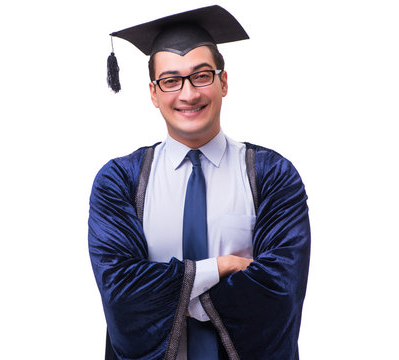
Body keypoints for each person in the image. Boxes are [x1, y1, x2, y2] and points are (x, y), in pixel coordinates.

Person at [88, 5, 310, 360]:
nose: (188, 94)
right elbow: (122, 296)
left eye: (201, 76)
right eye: (171, 80)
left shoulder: (271, 174)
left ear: (223, 82)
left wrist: (164, 295)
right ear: (153, 93)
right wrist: (219, 269)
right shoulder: (120, 181)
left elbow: (278, 293)